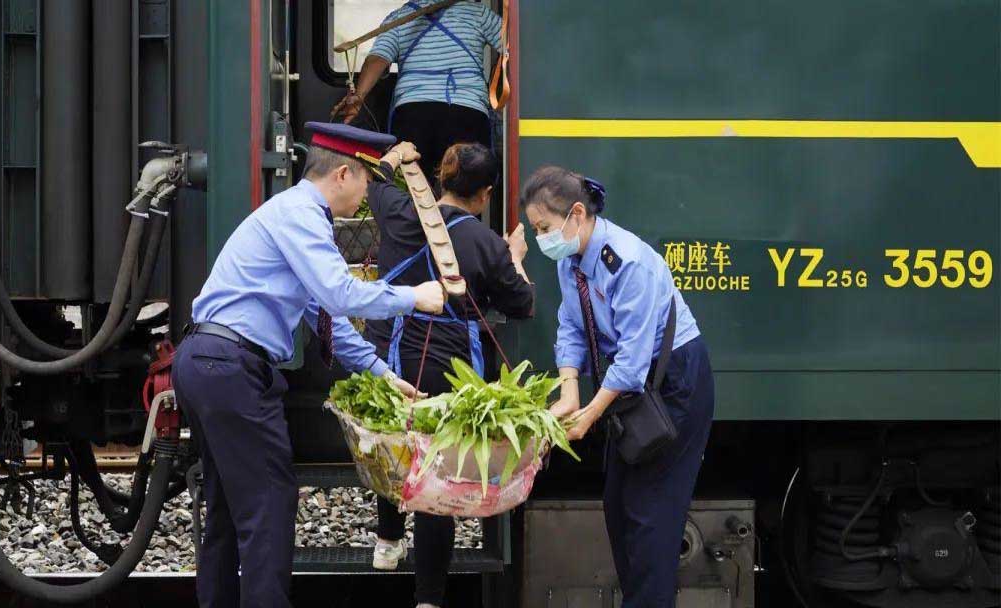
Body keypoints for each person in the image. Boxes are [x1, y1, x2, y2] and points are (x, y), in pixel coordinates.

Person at [171, 123, 447, 608]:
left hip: (209, 362)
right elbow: (339, 294)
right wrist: (414, 296)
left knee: (228, 511)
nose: (366, 198)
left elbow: (327, 317)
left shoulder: (292, 213)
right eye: (366, 182)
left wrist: (381, 373)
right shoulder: (303, 215)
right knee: (269, 502)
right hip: (230, 367)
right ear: (343, 174)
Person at [520, 166, 715, 608]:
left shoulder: (626, 262)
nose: (540, 239)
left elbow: (632, 358)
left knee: (650, 516)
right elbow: (571, 324)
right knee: (619, 506)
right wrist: (569, 390)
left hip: (674, 381)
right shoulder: (572, 261)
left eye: (544, 228)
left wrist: (588, 416)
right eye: (535, 230)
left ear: (576, 214)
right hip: (635, 387)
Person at [364, 141, 533, 608]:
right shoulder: (486, 244)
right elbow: (523, 303)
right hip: (448, 365)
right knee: (436, 477)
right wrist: (516, 255)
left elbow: (375, 181)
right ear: (485, 194)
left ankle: (387, 541)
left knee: (393, 445)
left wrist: (397, 155)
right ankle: (428, 599)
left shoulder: (399, 212)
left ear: (439, 178)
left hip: (389, 353)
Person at [332, 0, 502, 184]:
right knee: (467, 186)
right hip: (467, 112)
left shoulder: (399, 17)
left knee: (413, 189)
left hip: (413, 115)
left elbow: (377, 60)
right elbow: (514, 49)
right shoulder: (478, 13)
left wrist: (358, 98)